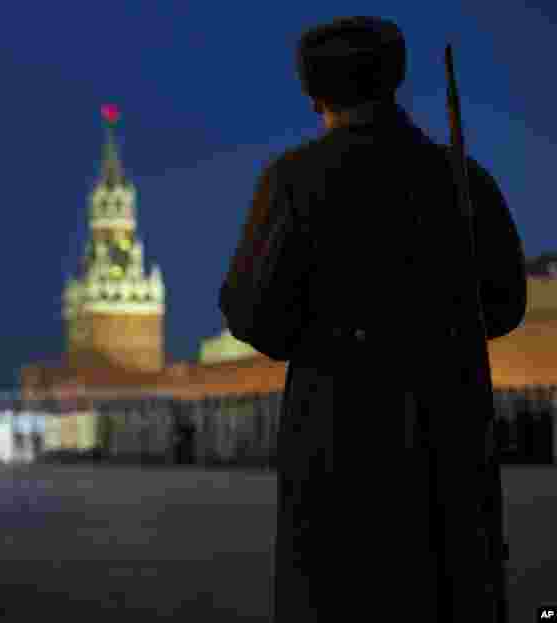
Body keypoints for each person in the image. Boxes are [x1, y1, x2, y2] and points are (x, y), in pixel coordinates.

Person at [218, 16, 526, 622]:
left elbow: (257, 316)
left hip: (341, 447)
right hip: (451, 441)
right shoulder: (466, 179)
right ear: (395, 79)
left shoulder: (294, 181)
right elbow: (505, 305)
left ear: (312, 94)